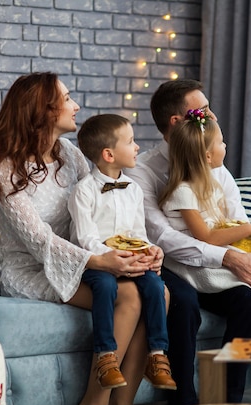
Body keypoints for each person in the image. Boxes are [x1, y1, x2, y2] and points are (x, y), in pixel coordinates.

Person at [0, 72, 154, 405]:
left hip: (81, 256)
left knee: (149, 292)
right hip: (32, 268)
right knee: (127, 297)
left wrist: (132, 249)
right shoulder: (4, 169)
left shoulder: (70, 154)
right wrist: (101, 262)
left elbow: (95, 210)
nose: (76, 105)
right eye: (68, 98)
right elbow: (39, 241)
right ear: (44, 111)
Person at [127, 79, 251, 405]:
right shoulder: (144, 172)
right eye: (204, 109)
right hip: (170, 266)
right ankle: (183, 403)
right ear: (177, 121)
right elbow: (165, 238)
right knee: (181, 303)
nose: (212, 115)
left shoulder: (215, 168)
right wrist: (230, 257)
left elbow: (239, 223)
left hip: (213, 267)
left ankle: (229, 403)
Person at [68, 113, 176, 390]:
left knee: (154, 285)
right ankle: (106, 357)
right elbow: (85, 238)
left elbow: (138, 233)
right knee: (105, 285)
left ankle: (157, 356)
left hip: (129, 259)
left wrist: (150, 250)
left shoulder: (134, 189)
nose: (137, 146)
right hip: (97, 264)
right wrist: (109, 258)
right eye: (130, 141)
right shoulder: (83, 191)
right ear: (109, 154)